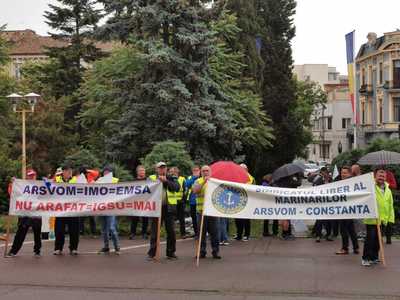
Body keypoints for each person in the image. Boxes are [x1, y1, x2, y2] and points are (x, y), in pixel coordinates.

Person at [362, 167, 395, 266]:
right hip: (372, 218)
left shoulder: (388, 189)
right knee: (370, 239)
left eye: (383, 176)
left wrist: (390, 218)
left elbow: (390, 205)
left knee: (378, 239)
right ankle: (366, 258)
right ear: (375, 176)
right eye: (380, 175)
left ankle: (374, 257)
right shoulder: (370, 186)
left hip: (383, 219)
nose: (382, 177)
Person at [6, 169, 42, 257]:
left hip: (36, 213)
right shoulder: (21, 186)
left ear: (35, 176)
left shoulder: (40, 186)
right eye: (29, 175)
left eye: (33, 175)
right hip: (24, 213)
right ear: (26, 177)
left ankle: (37, 250)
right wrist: (13, 183)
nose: (31, 177)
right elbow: (12, 193)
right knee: (20, 232)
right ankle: (13, 251)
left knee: (37, 233)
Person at [147, 162, 180, 260]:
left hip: (169, 208)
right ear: (156, 169)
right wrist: (158, 181)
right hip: (156, 208)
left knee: (171, 232)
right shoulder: (151, 178)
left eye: (164, 168)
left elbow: (176, 188)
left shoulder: (172, 177)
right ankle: (152, 254)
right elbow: (146, 190)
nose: (162, 169)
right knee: (154, 232)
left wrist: (165, 181)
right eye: (160, 168)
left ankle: (170, 253)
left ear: (166, 169)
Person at [192, 165, 221, 259]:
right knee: (201, 233)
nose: (205, 172)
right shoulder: (198, 181)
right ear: (201, 172)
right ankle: (201, 252)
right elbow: (195, 191)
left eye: (207, 171)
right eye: (203, 171)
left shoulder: (215, 182)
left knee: (215, 233)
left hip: (212, 212)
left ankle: (215, 251)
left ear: (210, 172)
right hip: (201, 211)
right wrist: (204, 181)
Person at [53, 165, 79, 255]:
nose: (69, 173)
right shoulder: (56, 180)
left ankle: (73, 248)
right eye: (68, 171)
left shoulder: (76, 180)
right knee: (59, 230)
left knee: (74, 230)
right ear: (63, 172)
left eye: (70, 171)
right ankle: (58, 248)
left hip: (73, 209)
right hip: (60, 210)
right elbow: (47, 188)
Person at [336, 166, 359, 255]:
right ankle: (356, 247)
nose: (343, 174)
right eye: (342, 173)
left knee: (343, 230)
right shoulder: (346, 182)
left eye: (345, 173)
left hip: (346, 210)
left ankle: (345, 248)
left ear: (349, 173)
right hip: (347, 209)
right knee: (351, 229)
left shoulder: (348, 183)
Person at [98, 166, 121, 255]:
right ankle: (106, 246)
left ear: (112, 173)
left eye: (108, 172)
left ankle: (117, 247)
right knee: (104, 229)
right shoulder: (99, 180)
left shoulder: (116, 180)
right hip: (101, 207)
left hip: (112, 208)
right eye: (105, 172)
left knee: (112, 228)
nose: (106, 173)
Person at [312, 167, 334, 242]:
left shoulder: (332, 181)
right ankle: (318, 235)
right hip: (320, 204)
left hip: (329, 204)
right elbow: (314, 189)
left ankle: (328, 235)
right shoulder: (318, 180)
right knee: (319, 220)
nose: (325, 175)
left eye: (326, 173)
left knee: (329, 220)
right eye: (323, 173)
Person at [234, 164, 254, 241]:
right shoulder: (237, 177)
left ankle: (246, 234)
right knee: (238, 218)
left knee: (246, 218)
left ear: (246, 170)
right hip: (237, 200)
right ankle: (239, 234)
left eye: (242, 169)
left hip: (247, 200)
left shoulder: (249, 177)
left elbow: (246, 188)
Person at [130, 165, 149, 239]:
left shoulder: (149, 181)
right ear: (137, 172)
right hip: (136, 202)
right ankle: (132, 233)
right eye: (140, 171)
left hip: (146, 202)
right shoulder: (133, 181)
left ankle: (144, 233)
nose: (142, 172)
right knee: (134, 219)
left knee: (145, 219)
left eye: (143, 171)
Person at [79, 167, 99, 237]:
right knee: (81, 218)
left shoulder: (90, 176)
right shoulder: (78, 178)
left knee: (92, 218)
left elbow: (97, 173)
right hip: (82, 201)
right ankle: (81, 232)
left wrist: (88, 170)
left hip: (91, 201)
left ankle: (93, 233)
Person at [169, 167, 187, 239]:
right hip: (172, 201)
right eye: (172, 172)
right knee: (171, 219)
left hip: (180, 201)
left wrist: (183, 200)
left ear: (177, 172)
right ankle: (171, 233)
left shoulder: (182, 179)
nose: (173, 173)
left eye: (174, 171)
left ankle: (183, 234)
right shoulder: (169, 178)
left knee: (181, 218)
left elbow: (185, 190)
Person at [185, 166, 201, 237]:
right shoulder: (190, 178)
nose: (196, 171)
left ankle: (203, 232)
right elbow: (187, 184)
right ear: (192, 171)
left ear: (199, 170)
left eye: (197, 170)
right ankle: (196, 233)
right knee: (194, 218)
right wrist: (194, 177)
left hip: (201, 202)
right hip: (193, 201)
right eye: (194, 170)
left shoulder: (202, 177)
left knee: (201, 218)